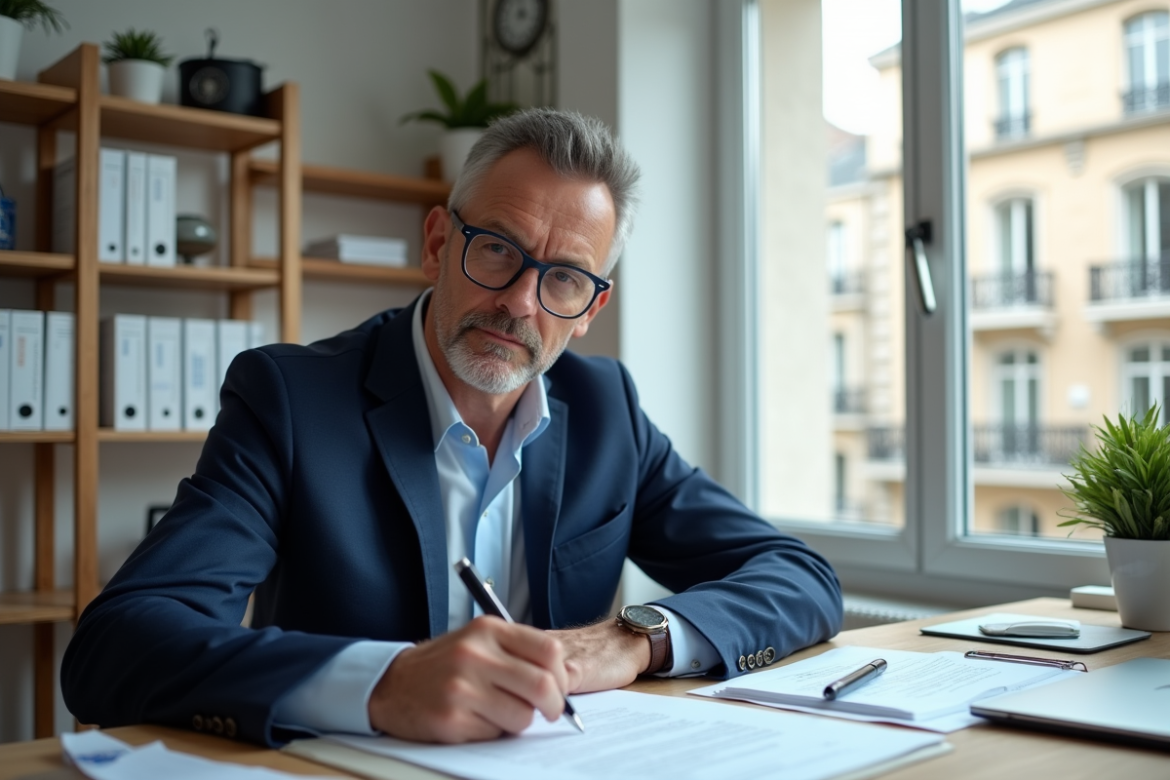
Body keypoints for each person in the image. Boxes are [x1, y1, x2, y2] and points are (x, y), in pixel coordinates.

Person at [62, 108, 842, 747]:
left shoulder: (608, 410)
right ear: (438, 241)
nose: (521, 304)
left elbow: (799, 577)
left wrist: (636, 638)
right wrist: (383, 683)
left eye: (565, 277)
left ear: (592, 309)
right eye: (497, 251)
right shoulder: (292, 399)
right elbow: (115, 648)